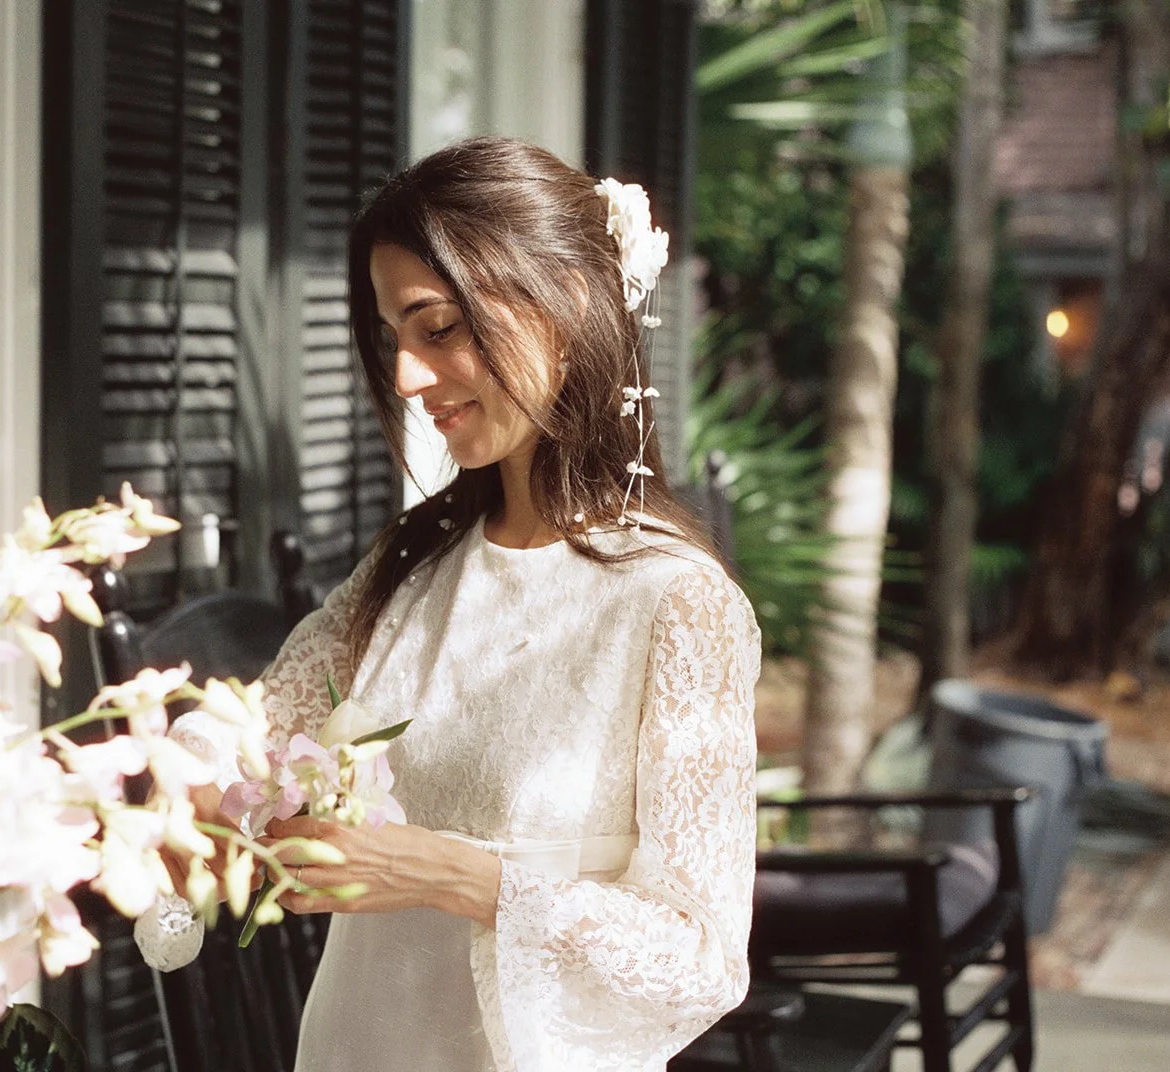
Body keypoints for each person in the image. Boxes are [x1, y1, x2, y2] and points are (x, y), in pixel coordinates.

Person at [141, 136, 759, 1072]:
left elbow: (701, 960)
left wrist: (452, 875)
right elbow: (255, 727)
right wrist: (179, 778)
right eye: (394, 337)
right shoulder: (412, 567)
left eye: (437, 328)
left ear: (570, 304)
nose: (406, 379)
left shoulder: (676, 607)